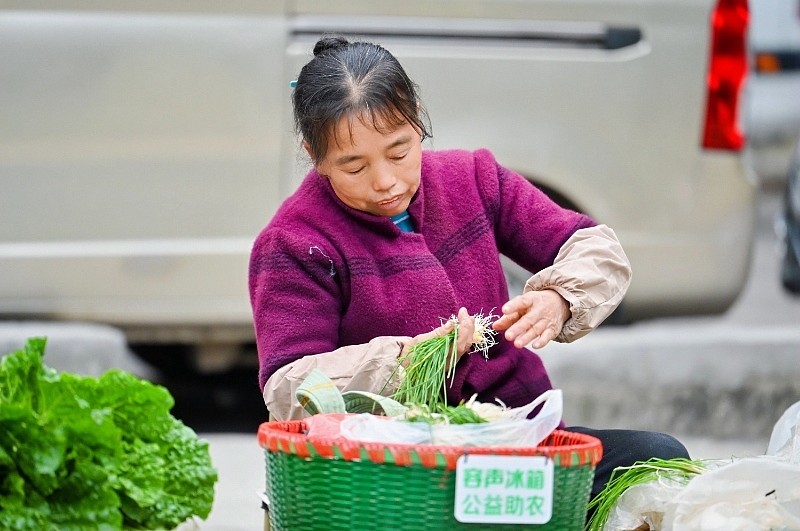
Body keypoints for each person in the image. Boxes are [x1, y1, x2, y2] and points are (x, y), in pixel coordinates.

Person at [248, 34, 689, 501]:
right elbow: (290, 387)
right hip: (394, 471)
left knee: (658, 458)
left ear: (417, 118)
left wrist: (560, 298)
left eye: (399, 151)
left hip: (517, 443)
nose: (385, 181)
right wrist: (413, 357)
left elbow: (593, 246)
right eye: (354, 167)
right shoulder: (295, 243)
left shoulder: (473, 179)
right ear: (315, 156)